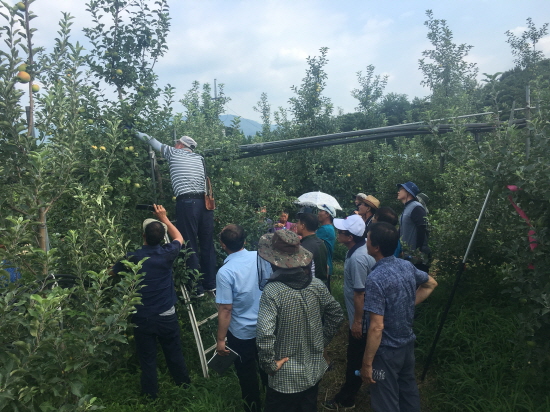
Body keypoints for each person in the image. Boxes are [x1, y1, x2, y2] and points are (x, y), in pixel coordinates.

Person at [256, 230, 344, 412]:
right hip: (312, 371)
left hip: (284, 378)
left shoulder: (273, 292)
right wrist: (321, 341)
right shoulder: (317, 285)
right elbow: (336, 314)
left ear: (273, 261)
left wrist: (269, 365)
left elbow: (264, 334)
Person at [110, 204, 191, 399]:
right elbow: (179, 238)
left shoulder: (132, 257)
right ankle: (185, 387)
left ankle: (150, 396)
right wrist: (164, 217)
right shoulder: (167, 253)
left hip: (143, 317)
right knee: (174, 353)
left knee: (147, 359)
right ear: (162, 238)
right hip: (166, 316)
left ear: (143, 236)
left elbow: (111, 273)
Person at [361, 222, 438, 412]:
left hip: (386, 352)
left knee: (385, 402)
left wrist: (367, 363)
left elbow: (377, 327)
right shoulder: (406, 266)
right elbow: (431, 283)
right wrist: (406, 303)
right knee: (408, 394)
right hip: (407, 346)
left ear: (376, 247)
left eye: (368, 238)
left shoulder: (375, 278)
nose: (366, 241)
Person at [135, 132, 216, 295]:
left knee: (189, 243)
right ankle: (210, 282)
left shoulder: (173, 152)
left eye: (176, 143)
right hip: (205, 204)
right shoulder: (199, 158)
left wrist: (134, 131)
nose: (174, 145)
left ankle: (195, 287)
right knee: (207, 243)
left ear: (180, 145)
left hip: (187, 203)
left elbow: (151, 140)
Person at [323, 214, 375, 410]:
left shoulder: (358, 258)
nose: (338, 233)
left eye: (341, 231)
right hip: (365, 317)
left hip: (364, 320)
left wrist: (357, 322)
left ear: (350, 237)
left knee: (355, 359)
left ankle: (347, 398)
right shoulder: (356, 251)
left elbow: (360, 293)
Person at [215, 224, 266, 412]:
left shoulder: (225, 272)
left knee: (246, 375)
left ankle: (253, 407)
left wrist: (221, 340)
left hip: (241, 333)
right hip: (266, 326)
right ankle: (274, 402)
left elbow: (226, 309)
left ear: (223, 245)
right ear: (244, 241)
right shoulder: (261, 257)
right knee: (268, 367)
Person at [396, 181, 430, 271]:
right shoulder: (407, 208)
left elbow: (422, 228)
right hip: (408, 257)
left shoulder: (416, 207)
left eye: (401, 189)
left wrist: (419, 251)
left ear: (408, 192)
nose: (398, 192)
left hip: (416, 258)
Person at [296, 212, 328, 286]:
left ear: (303, 226)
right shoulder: (321, 243)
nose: (296, 225)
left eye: (298, 223)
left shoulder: (304, 247)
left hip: (311, 286)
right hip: (322, 285)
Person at [317, 204, 336, 288]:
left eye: (321, 211)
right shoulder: (329, 228)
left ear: (327, 214)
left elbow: (310, 240)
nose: (318, 213)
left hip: (323, 266)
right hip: (326, 265)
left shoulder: (325, 229)